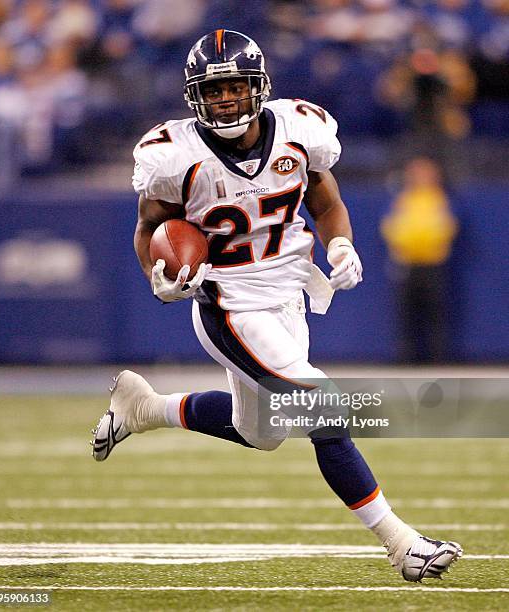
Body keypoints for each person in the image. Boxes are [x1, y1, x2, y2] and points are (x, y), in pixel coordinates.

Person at [91, 29, 462, 582]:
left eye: (234, 88)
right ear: (195, 96)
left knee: (260, 432)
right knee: (323, 408)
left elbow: (327, 201)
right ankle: (401, 543)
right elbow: (149, 227)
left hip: (287, 291)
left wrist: (340, 243)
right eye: (213, 91)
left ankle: (146, 408)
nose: (224, 100)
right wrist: (156, 277)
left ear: (257, 86)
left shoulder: (297, 131)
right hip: (230, 301)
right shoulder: (176, 155)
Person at [381, 157, 458, 363]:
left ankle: (437, 359)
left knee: (435, 314)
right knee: (407, 314)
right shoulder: (403, 199)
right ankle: (406, 358)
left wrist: (428, 244)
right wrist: (403, 245)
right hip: (407, 263)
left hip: (432, 263)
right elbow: (390, 226)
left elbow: (447, 227)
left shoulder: (439, 198)